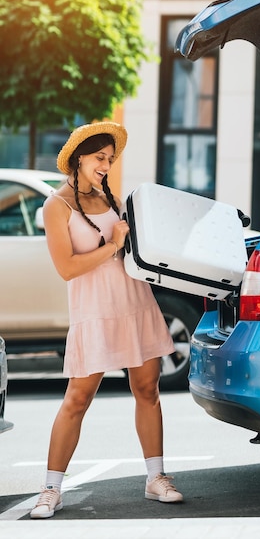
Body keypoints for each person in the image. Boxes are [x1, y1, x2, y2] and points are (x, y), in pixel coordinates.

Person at [30, 121, 183, 520]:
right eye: (100, 158)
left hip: (135, 303)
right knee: (77, 399)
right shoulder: (56, 205)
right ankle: (50, 489)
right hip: (94, 312)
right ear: (79, 158)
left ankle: (156, 478)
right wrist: (113, 243)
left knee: (147, 390)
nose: (105, 165)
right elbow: (66, 267)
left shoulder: (111, 199)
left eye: (110, 159)